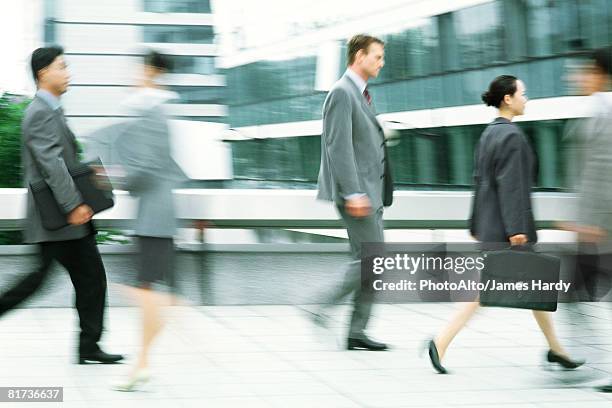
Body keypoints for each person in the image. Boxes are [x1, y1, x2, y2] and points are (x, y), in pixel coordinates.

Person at [426, 75, 583, 374]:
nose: (527, 98)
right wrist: (516, 230)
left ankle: (556, 349)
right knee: (485, 292)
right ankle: (440, 341)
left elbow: (480, 183)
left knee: (535, 286)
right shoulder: (511, 136)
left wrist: (474, 223)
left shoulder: (489, 134)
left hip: (491, 224)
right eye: (523, 93)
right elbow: (511, 186)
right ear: (508, 99)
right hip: (509, 230)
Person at [0, 46, 123, 364]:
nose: (68, 73)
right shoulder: (40, 111)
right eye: (62, 67)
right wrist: (73, 205)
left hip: (60, 217)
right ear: (43, 73)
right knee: (73, 279)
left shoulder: (50, 109)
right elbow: (51, 164)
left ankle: (89, 346)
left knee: (81, 278)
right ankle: (89, 346)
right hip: (60, 217)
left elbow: (60, 161)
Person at [111, 51, 186, 391]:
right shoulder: (152, 109)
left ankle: (141, 364)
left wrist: (114, 180)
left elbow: (151, 167)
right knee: (148, 292)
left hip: (154, 217)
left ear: (152, 72)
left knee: (148, 294)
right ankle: (140, 364)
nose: (134, 73)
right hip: (153, 216)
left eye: (138, 68)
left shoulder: (154, 112)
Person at [313, 34, 393, 351]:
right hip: (357, 194)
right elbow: (338, 147)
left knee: (371, 260)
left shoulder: (359, 94)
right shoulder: (342, 93)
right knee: (372, 260)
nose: (381, 63)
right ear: (359, 57)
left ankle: (356, 332)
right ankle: (320, 307)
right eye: (377, 57)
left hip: (370, 191)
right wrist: (354, 192)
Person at [564, 47, 612, 393]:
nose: (576, 77)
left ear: (598, 73)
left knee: (572, 292)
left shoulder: (604, 111)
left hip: (601, 228)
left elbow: (603, 170)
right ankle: (571, 356)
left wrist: (591, 221)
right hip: (596, 225)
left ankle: (575, 357)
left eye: (582, 71)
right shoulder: (599, 109)